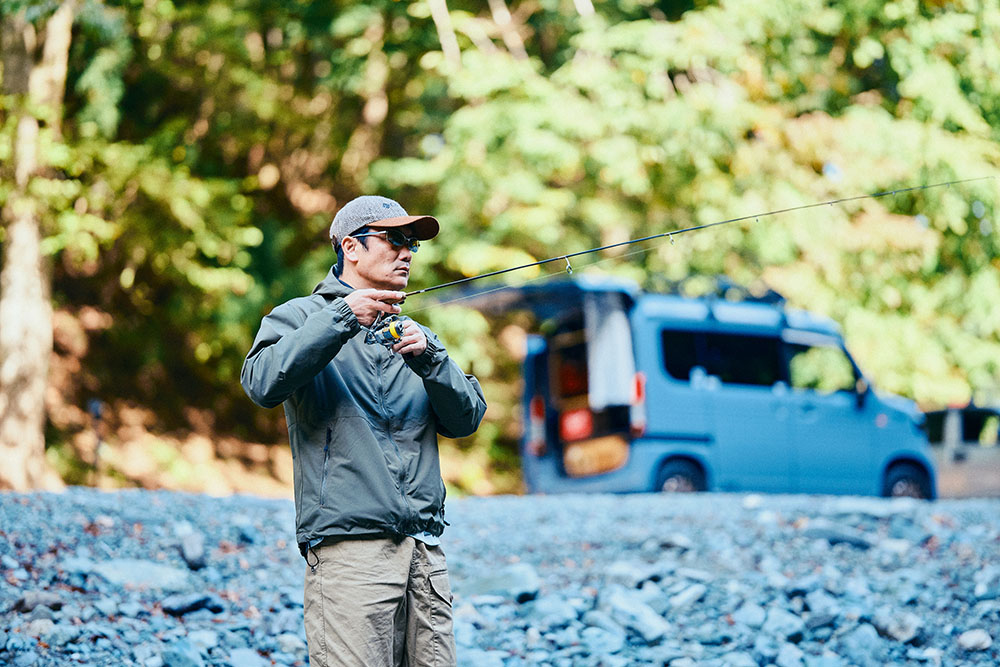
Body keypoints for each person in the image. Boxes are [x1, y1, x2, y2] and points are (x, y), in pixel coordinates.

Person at [240, 195, 487, 667]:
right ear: (351, 248)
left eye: (412, 243)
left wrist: (433, 360)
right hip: (349, 554)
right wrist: (343, 318)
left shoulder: (415, 334)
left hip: (424, 554)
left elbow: (466, 419)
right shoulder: (298, 317)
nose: (408, 252)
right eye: (395, 239)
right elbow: (261, 383)